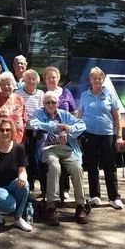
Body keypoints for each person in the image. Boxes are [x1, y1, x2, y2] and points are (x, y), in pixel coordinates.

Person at [29, 91, 88, 226]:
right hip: (48, 149)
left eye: (53, 102)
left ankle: (80, 205)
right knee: (54, 166)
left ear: (57, 104)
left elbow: (82, 125)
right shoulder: (39, 113)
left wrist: (68, 129)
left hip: (66, 149)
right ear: (43, 104)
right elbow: (34, 124)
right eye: (47, 102)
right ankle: (51, 206)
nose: (51, 104)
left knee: (77, 167)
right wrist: (55, 126)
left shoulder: (64, 114)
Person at [78, 67, 124, 210]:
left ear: (103, 80)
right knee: (92, 166)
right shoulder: (84, 96)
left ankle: (114, 197)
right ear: (90, 80)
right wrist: (76, 134)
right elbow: (79, 116)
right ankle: (95, 196)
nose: (97, 81)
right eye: (94, 78)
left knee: (110, 166)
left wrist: (119, 136)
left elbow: (117, 117)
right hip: (89, 135)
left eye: (99, 78)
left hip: (107, 135)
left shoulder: (110, 95)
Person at [44, 66, 76, 199]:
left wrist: (68, 130)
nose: (51, 79)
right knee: (53, 162)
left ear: (58, 78)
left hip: (66, 133)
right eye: (48, 77)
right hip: (49, 135)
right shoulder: (43, 94)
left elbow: (74, 112)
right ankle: (51, 190)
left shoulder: (66, 93)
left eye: (54, 77)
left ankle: (65, 188)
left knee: (66, 159)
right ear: (45, 80)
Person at [14, 69, 44, 191]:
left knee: (35, 159)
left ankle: (36, 187)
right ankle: (25, 186)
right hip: (21, 130)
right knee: (22, 158)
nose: (31, 81)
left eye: (33, 79)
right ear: (24, 80)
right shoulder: (18, 93)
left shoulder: (41, 94)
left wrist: (37, 126)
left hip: (36, 130)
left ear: (37, 81)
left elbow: (42, 112)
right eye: (28, 79)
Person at [0, 72, 26, 144]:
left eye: (9, 84)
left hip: (17, 139)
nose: (6, 87)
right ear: (0, 85)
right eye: (3, 84)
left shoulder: (19, 99)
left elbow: (24, 120)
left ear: (13, 85)